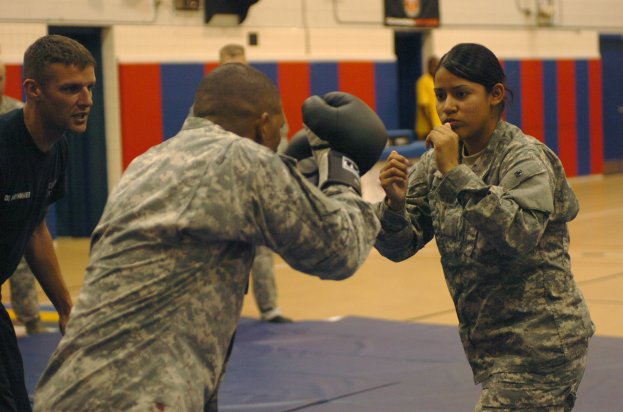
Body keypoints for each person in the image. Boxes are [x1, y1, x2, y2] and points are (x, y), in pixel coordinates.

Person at [34, 64, 384, 412]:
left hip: (65, 391)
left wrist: (294, 181)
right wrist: (343, 170)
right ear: (262, 125)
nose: (277, 144)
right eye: (277, 130)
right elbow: (341, 250)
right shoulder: (241, 159)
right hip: (134, 397)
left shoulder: (148, 161)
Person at [376, 43, 594, 412]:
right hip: (491, 346)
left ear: (495, 95)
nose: (448, 107)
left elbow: (520, 235)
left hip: (542, 343)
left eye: (461, 94)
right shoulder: (434, 164)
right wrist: (395, 205)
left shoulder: (524, 157)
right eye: (441, 95)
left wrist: (456, 174)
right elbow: (399, 247)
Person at [0, 34, 96, 412]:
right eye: (71, 89)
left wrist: (65, 307)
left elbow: (36, 228)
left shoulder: (58, 146)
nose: (86, 101)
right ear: (33, 89)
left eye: (89, 87)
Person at [191, 43, 292, 323]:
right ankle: (211, 311)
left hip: (254, 184)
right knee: (214, 252)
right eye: (229, 68)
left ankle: (269, 307)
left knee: (260, 250)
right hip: (215, 189)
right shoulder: (204, 104)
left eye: (241, 68)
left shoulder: (263, 98)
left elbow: (280, 136)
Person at [0, 59, 50, 336]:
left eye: (1, 78)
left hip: (14, 200)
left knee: (21, 257)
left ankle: (30, 317)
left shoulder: (20, 113)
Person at [415, 55, 441, 140]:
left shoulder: (439, 81)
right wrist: (432, 126)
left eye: (438, 66)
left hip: (439, 126)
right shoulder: (423, 81)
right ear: (428, 67)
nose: (436, 68)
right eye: (434, 66)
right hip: (427, 128)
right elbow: (424, 106)